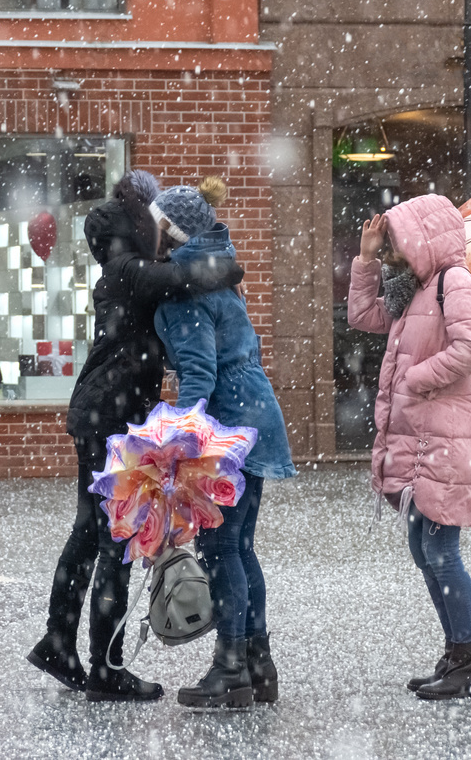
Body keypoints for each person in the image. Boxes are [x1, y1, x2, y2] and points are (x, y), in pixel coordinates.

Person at [27, 170, 244, 702]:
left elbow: (171, 280)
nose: (162, 235)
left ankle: (59, 644)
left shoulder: (124, 268)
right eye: (153, 224)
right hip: (108, 417)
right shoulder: (124, 271)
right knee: (115, 541)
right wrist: (226, 267)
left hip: (102, 412)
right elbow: (180, 280)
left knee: (88, 531)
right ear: (130, 228)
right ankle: (106, 670)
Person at [152, 177, 297, 711]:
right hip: (256, 416)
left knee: (220, 548)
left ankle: (230, 667)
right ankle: (258, 663)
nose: (153, 236)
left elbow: (198, 375)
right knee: (239, 546)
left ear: (173, 232)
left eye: (159, 226)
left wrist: (176, 440)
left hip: (228, 428)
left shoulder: (185, 292)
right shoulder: (220, 273)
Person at [347, 194, 471, 700]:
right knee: (423, 549)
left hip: (448, 433)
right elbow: (364, 314)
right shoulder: (415, 289)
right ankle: (457, 653)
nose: (393, 253)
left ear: (425, 240)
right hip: (421, 434)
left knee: (440, 549)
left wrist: (416, 377)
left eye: (398, 243)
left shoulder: (454, 282)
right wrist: (365, 258)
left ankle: (470, 661)